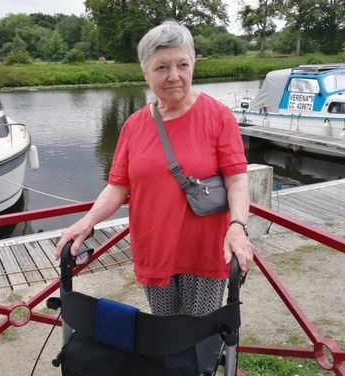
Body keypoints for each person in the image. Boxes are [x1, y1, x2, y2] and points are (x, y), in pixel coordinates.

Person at [55, 20, 254, 317]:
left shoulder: (218, 116)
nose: (174, 76)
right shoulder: (134, 125)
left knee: (197, 340)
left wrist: (238, 228)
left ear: (193, 66)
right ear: (145, 72)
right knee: (164, 335)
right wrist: (87, 222)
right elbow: (118, 186)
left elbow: (237, 180)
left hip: (203, 251)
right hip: (154, 251)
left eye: (183, 65)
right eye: (162, 67)